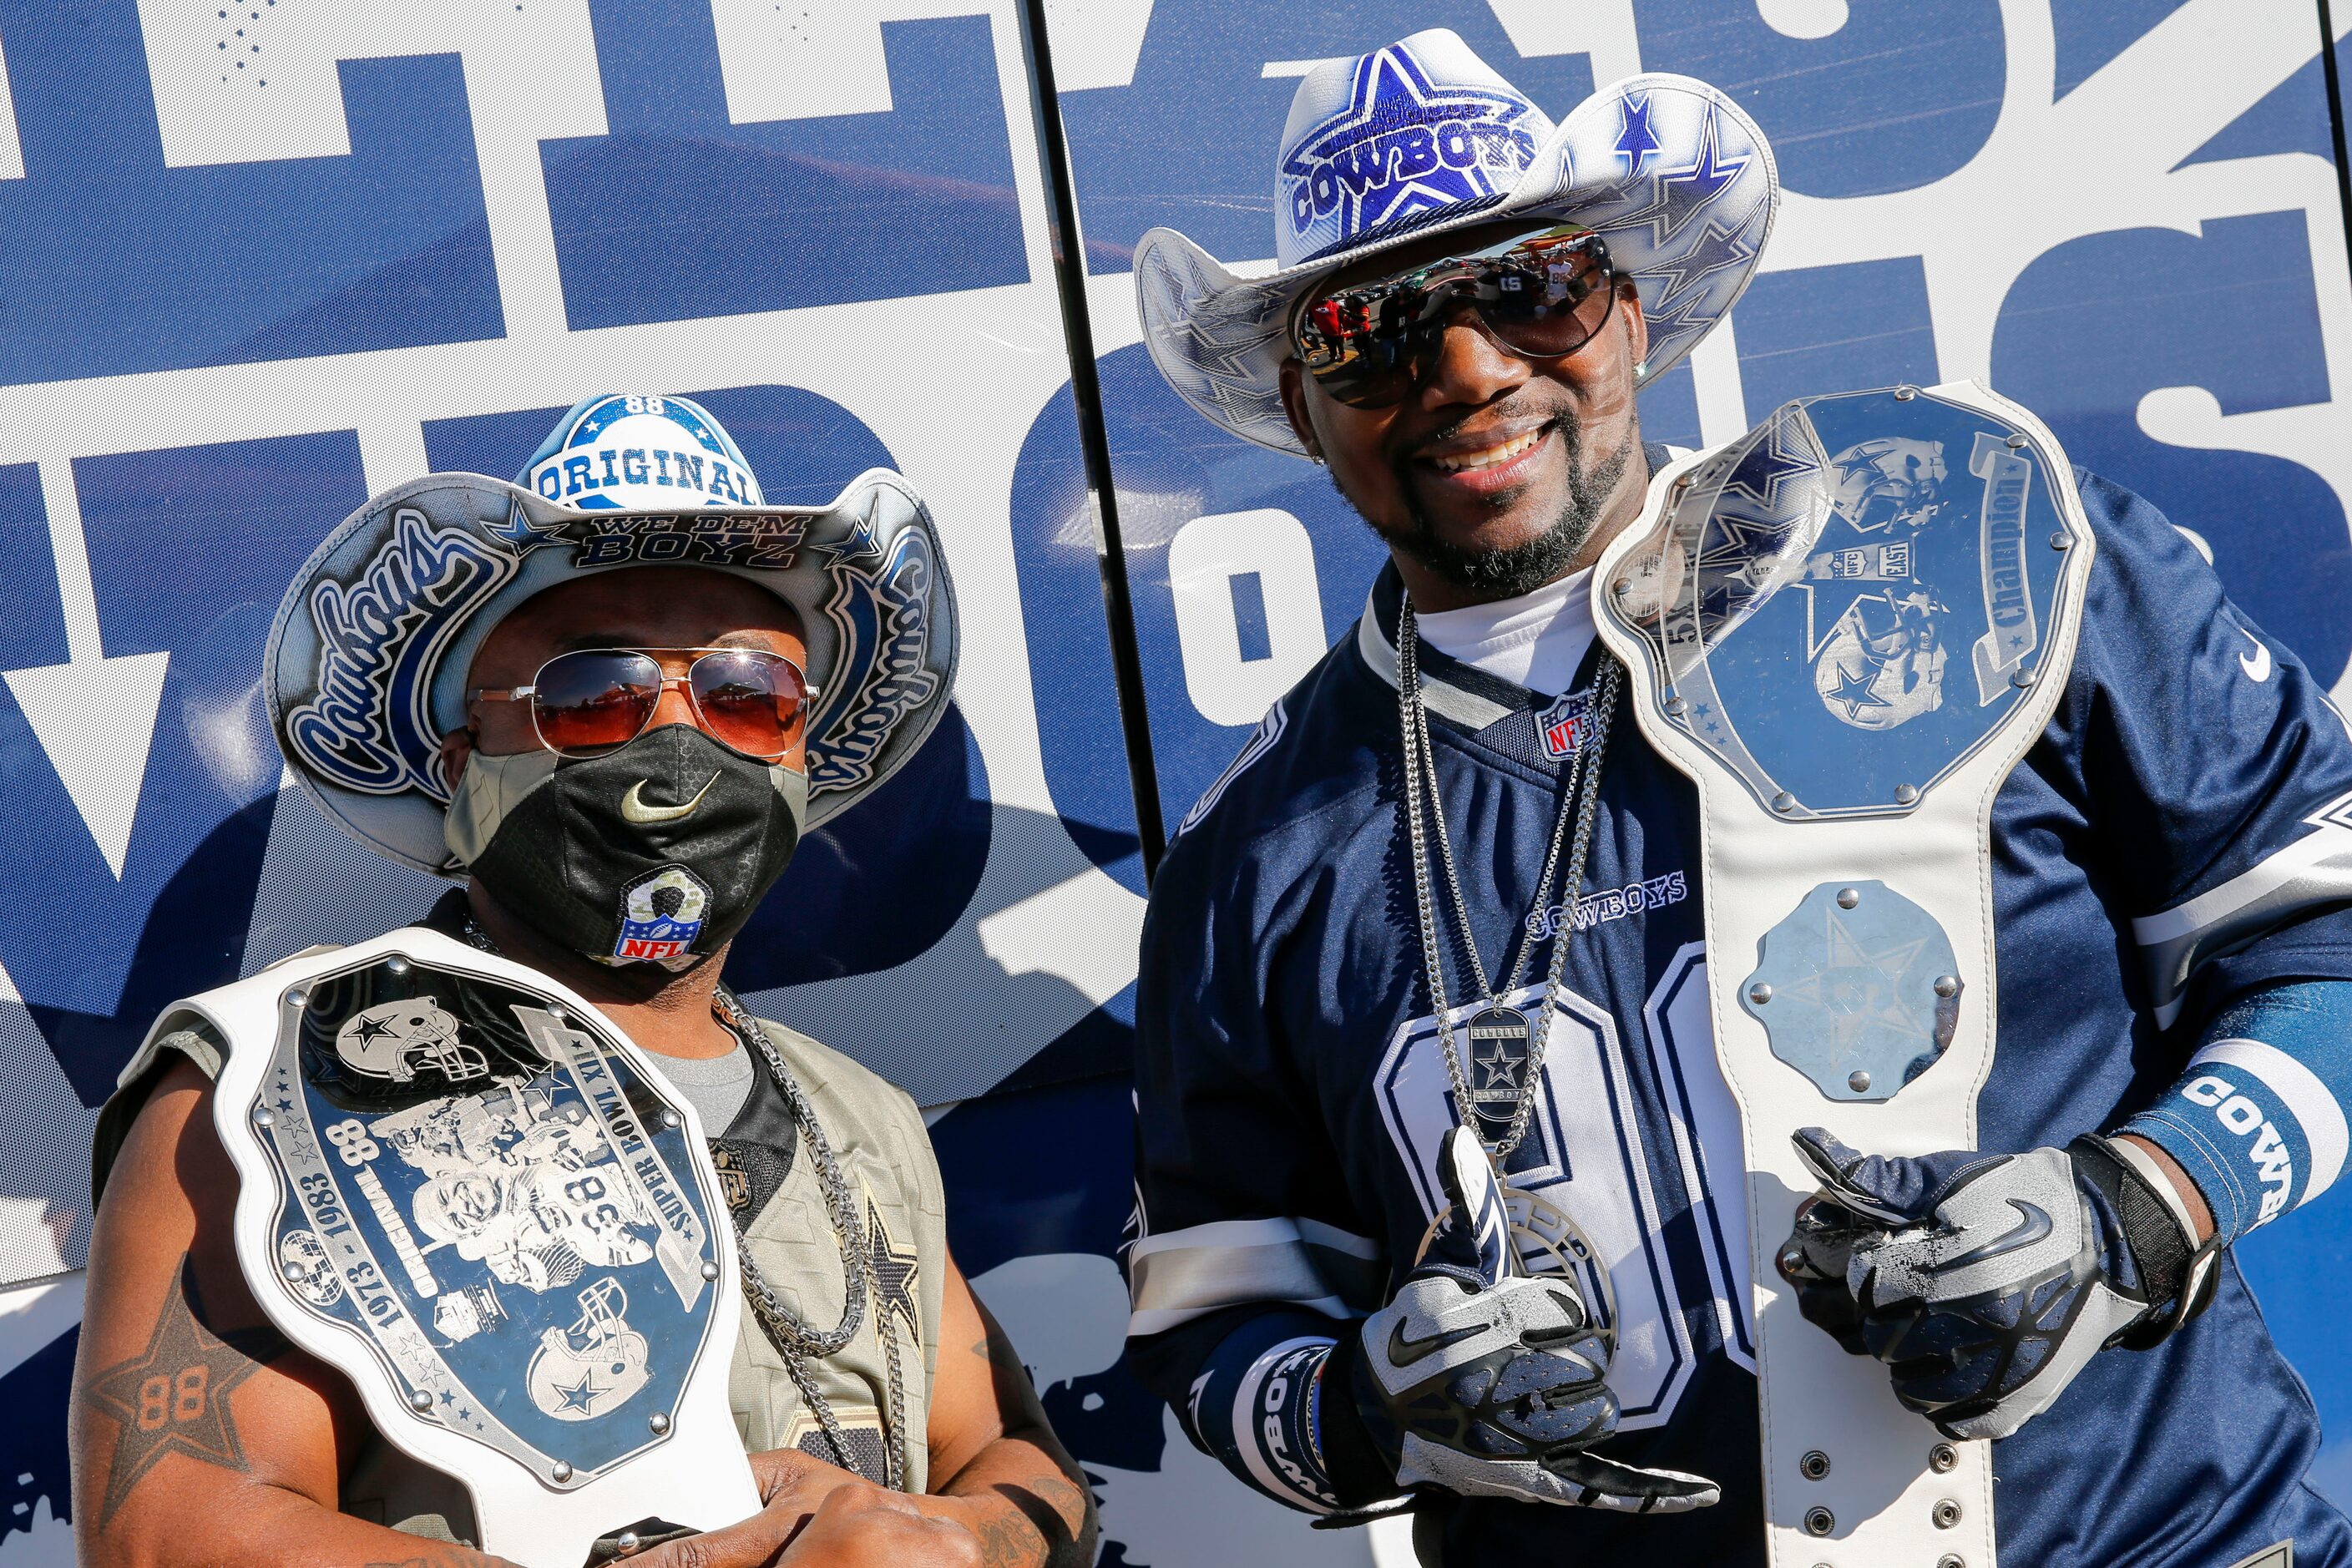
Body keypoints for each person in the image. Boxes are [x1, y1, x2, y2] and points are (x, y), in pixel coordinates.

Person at [1124, 28, 2352, 1567]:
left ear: (1629, 308)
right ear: (1302, 408)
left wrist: (2140, 1203)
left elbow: (2324, 937)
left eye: (1528, 286)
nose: (1467, 370)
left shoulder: (1978, 551)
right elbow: (1220, 1311)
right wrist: (1373, 1407)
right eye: (1369, 332)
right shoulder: (1252, 855)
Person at [71, 394, 1098, 1567]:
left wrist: (948, 1544)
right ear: (460, 765)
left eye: (748, 693)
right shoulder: (276, 1085)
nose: (679, 742)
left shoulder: (855, 1115)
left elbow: (1015, 1457)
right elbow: (169, 1537)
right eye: (592, 694)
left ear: (805, 750)